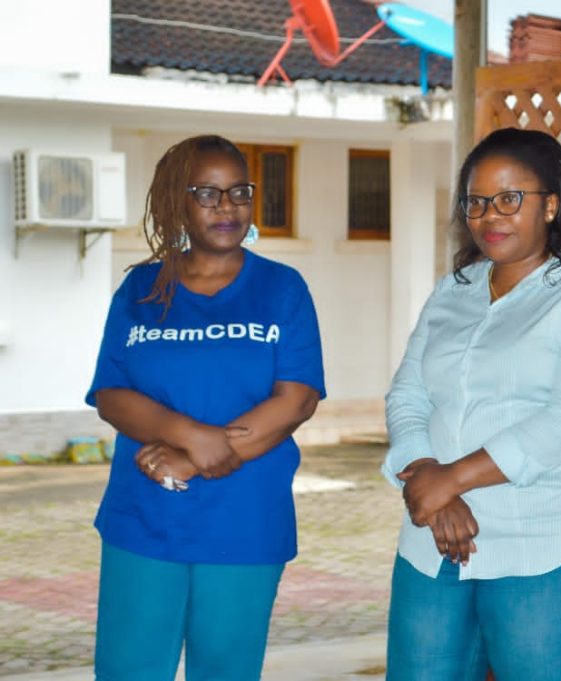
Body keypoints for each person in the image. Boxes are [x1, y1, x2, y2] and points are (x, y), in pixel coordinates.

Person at [382, 127, 561, 681]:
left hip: (547, 538)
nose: (489, 215)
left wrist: (452, 478)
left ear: (551, 205)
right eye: (476, 202)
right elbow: (408, 394)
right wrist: (429, 477)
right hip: (434, 536)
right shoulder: (454, 290)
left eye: (509, 199)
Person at [86, 134, 325, 681]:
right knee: (128, 670)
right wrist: (190, 434)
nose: (227, 207)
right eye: (207, 193)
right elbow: (111, 394)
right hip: (143, 517)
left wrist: (193, 460)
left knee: (226, 670)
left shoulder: (282, 289)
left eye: (239, 192)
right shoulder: (140, 290)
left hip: (244, 519)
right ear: (178, 201)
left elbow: (296, 399)